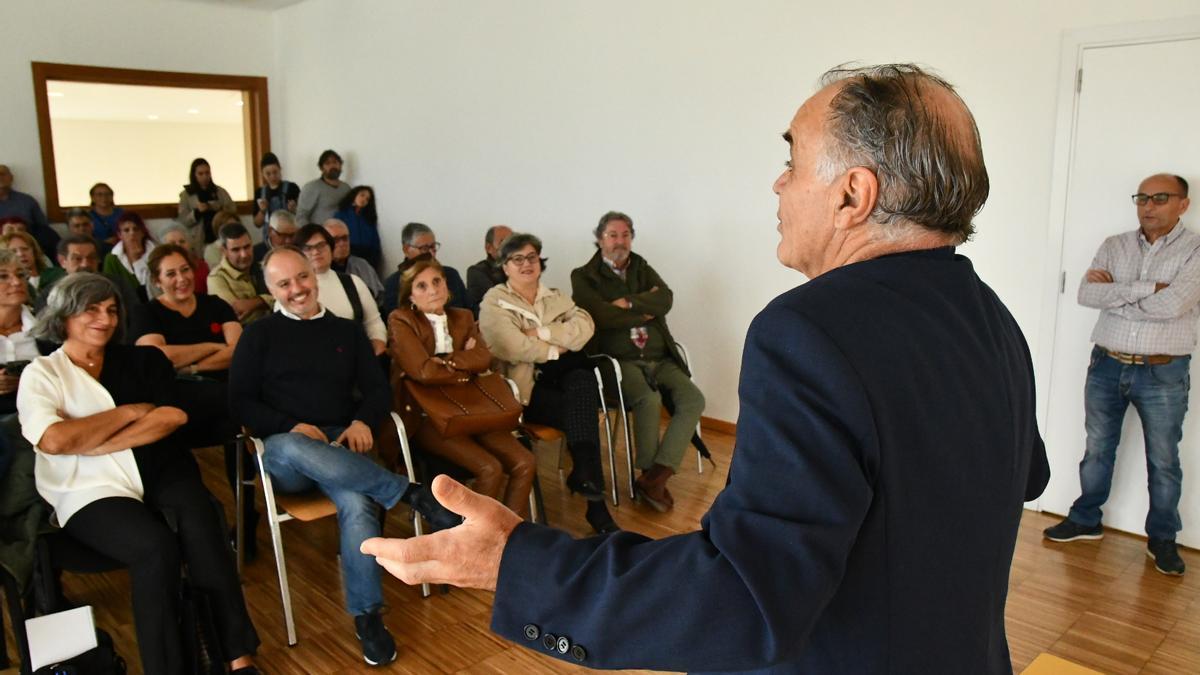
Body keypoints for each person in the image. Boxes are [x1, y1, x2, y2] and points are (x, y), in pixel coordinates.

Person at [362, 64, 1050, 673]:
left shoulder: (808, 331)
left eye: (795, 160)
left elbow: (746, 597)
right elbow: (1023, 474)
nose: (778, 182)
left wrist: (519, 563)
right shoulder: (989, 314)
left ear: (852, 195)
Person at [17, 273, 260, 674]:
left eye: (112, 310)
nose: (105, 319)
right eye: (91, 309)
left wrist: (93, 441)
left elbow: (171, 416)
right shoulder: (42, 374)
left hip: (160, 467)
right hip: (88, 486)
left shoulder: (143, 359)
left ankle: (237, 655)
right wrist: (129, 412)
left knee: (203, 520)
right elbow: (55, 440)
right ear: (63, 317)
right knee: (154, 548)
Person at [229, 246, 459, 666]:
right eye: (284, 284)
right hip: (284, 449)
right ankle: (411, 494)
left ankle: (368, 616)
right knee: (300, 446)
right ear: (270, 290)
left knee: (357, 505)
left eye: (301, 277)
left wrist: (362, 422)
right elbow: (240, 402)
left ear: (314, 274)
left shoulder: (346, 331)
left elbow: (376, 389)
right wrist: (287, 423)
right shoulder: (258, 335)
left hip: (340, 445)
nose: (297, 289)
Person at [1043, 173, 1195, 576]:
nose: (1148, 205)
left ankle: (1162, 539)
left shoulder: (1196, 250)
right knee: (1097, 448)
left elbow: (1174, 306)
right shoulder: (1115, 245)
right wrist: (1149, 288)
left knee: (1163, 459)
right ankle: (1086, 519)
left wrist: (1120, 292)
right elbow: (1086, 294)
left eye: (1160, 198)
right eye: (1142, 197)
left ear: (1183, 203)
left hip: (1163, 370)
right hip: (1107, 363)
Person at [477, 233, 618, 534]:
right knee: (582, 405)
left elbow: (585, 327)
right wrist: (556, 347)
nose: (526, 264)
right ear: (505, 267)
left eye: (531, 257)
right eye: (517, 259)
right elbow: (510, 346)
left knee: (581, 382)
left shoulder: (554, 295)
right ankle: (595, 504)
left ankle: (588, 483)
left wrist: (539, 334)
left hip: (560, 383)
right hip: (524, 391)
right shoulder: (494, 301)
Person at [571, 211, 705, 511]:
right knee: (648, 398)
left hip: (660, 356)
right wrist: (645, 308)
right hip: (619, 361)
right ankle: (647, 473)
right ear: (599, 239)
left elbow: (666, 299)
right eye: (613, 235)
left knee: (693, 399)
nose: (620, 241)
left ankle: (658, 475)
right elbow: (598, 316)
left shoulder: (641, 266)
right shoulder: (583, 275)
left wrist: (628, 302)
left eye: (625, 235)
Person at [131, 242, 256, 559]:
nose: (181, 279)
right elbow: (157, 357)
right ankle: (197, 525)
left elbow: (239, 353)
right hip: (178, 404)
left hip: (222, 402)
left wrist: (189, 363)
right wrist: (214, 348)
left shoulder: (216, 305)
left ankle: (245, 522)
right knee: (241, 409)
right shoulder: (147, 313)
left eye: (185, 270)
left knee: (238, 427)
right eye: (170, 274)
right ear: (157, 280)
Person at [389, 255, 535, 517]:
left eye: (437, 281)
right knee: (489, 468)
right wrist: (464, 365)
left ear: (446, 284)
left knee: (525, 461)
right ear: (410, 296)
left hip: (472, 407)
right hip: (428, 416)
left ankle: (512, 535)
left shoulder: (463, 317)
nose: (433, 290)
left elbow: (483, 358)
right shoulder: (401, 320)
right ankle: (472, 539)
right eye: (422, 286)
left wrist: (447, 362)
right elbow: (422, 371)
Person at [294, 223, 387, 355]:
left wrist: (377, 349)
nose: (315, 252)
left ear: (331, 248)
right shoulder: (293, 291)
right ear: (298, 254)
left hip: (357, 359)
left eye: (321, 245)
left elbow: (374, 322)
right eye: (307, 248)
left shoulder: (353, 282)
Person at [382, 222, 472, 317]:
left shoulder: (451, 274)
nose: (431, 253)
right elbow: (396, 321)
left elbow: (469, 310)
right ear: (406, 250)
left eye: (433, 247)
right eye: (424, 248)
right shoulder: (393, 283)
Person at [209, 222, 273, 324]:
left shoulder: (263, 265)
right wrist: (267, 301)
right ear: (224, 251)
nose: (244, 255)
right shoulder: (216, 278)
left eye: (247, 247)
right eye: (236, 250)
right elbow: (235, 315)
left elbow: (284, 299)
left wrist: (255, 303)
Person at [177, 157, 237, 252]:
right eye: (200, 174)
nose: (204, 176)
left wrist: (215, 207)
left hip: (219, 237)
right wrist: (196, 212)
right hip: (198, 239)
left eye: (207, 173)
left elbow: (232, 211)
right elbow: (183, 220)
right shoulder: (186, 195)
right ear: (194, 175)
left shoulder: (220, 192)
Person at [0, 164, 59, 257]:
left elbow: (42, 225)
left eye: (3, 174)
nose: (0, 178)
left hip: (28, 243)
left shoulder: (27, 200)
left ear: (11, 178)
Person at [326, 217, 384, 303]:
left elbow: (379, 295)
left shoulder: (362, 265)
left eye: (345, 238)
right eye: (336, 240)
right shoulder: (321, 269)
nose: (342, 243)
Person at [102, 211, 156, 302]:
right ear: (120, 235)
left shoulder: (156, 254)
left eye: (136, 229)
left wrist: (138, 261)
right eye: (126, 230)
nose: (132, 233)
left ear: (143, 232)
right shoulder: (112, 258)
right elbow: (110, 288)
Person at [296, 149, 350, 227]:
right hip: (321, 235)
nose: (332, 166)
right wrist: (313, 235)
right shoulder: (311, 187)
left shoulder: (346, 188)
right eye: (327, 163)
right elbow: (301, 217)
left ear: (340, 165)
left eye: (335, 162)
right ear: (321, 168)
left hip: (342, 235)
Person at [332, 185, 382, 268]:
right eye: (362, 195)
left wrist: (375, 257)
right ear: (354, 195)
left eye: (367, 199)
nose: (364, 200)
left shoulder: (369, 218)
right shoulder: (341, 214)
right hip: (348, 253)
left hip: (367, 255)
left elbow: (375, 241)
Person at [466, 225, 512, 313]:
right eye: (503, 243)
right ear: (489, 248)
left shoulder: (522, 268)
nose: (510, 248)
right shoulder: (477, 272)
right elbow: (500, 302)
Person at [157, 222, 210, 295]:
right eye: (172, 243)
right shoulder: (159, 271)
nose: (179, 246)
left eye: (182, 241)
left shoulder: (202, 265)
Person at [251, 152, 299, 230]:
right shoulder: (259, 192)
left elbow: (302, 217)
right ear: (262, 174)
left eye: (275, 172)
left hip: (290, 233)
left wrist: (294, 210)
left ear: (280, 169)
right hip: (269, 236)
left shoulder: (292, 188)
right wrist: (262, 211)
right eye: (268, 174)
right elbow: (257, 224)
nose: (272, 177)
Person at [2, 231, 55, 298]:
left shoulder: (57, 275)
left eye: (25, 249)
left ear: (34, 251)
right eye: (13, 251)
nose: (21, 254)